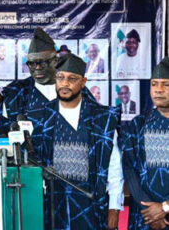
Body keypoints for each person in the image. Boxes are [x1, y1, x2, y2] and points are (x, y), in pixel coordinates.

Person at [28, 54, 124, 229]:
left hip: (91, 206)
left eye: (72, 79)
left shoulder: (102, 117)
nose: (65, 83)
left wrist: (114, 209)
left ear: (83, 82)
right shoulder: (39, 116)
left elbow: (114, 167)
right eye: (60, 78)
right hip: (51, 207)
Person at [2, 28, 96, 122]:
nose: (37, 68)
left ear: (56, 61)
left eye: (43, 62)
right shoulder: (15, 92)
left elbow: (95, 122)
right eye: (32, 63)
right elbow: (4, 129)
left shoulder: (75, 89)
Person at [119, 57, 169, 229]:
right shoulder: (138, 124)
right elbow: (129, 169)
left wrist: (164, 207)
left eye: (166, 84)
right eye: (154, 84)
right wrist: (150, 211)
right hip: (145, 217)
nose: (159, 90)